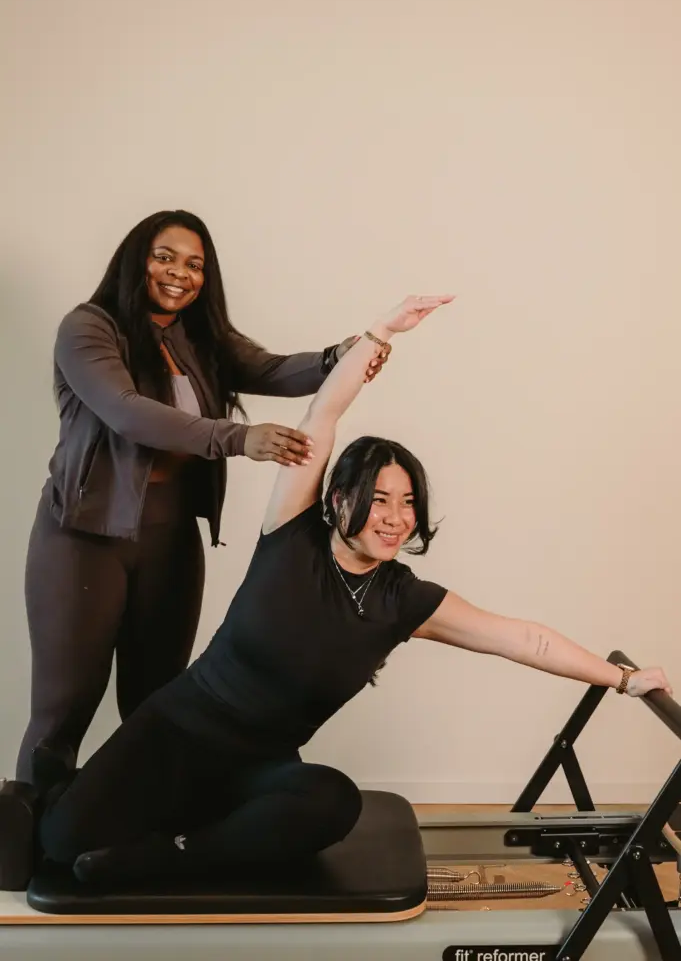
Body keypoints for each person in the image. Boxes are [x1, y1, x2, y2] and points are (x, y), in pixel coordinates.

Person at [37, 293, 671, 885]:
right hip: (174, 735)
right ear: (340, 499)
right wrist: (382, 332)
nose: (395, 517)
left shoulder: (404, 600)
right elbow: (326, 411)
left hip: (252, 772)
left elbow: (524, 640)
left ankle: (177, 857)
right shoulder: (293, 535)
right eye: (379, 499)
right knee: (63, 845)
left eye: (408, 503)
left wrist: (622, 679)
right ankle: (100, 811)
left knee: (331, 800)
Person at [17, 209, 390, 784]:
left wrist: (340, 357)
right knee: (63, 710)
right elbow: (127, 412)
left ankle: (128, 839)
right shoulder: (88, 328)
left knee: (157, 706)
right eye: (164, 256)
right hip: (83, 539)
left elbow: (274, 371)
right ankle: (26, 858)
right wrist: (238, 439)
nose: (179, 273)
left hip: (169, 538)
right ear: (136, 258)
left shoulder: (199, 337)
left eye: (195, 264)